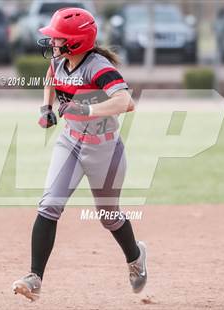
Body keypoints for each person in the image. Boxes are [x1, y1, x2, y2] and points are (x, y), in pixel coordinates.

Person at [12, 7, 147, 302]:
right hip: (70, 143)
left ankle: (136, 258)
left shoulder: (97, 67)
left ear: (76, 41)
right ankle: (35, 278)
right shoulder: (60, 62)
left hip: (105, 149)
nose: (53, 44)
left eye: (59, 38)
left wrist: (86, 109)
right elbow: (51, 77)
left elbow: (126, 102)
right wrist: (46, 109)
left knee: (109, 216)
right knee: (49, 205)